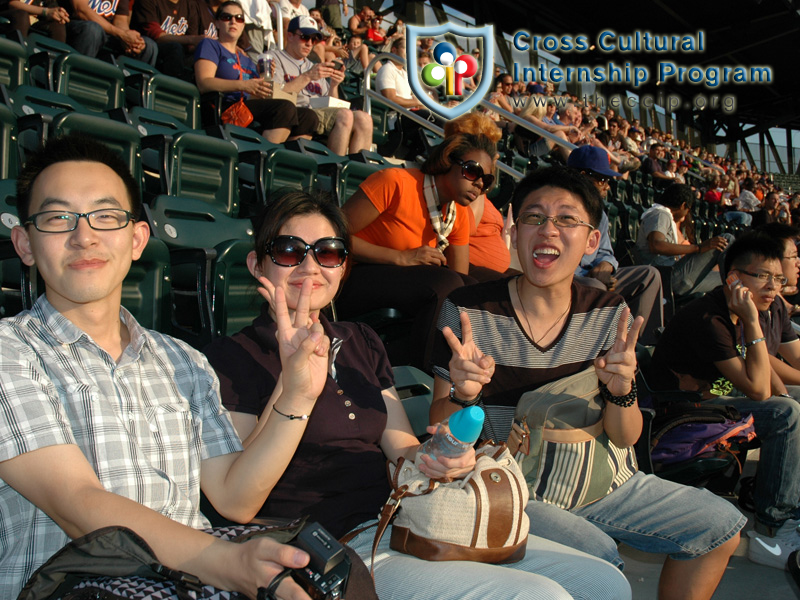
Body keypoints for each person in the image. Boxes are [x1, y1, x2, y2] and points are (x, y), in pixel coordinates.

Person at [204, 188, 633, 600]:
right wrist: (292, 387)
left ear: (343, 267)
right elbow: (241, 500)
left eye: (328, 252)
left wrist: (446, 451)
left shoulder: (359, 339)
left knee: (605, 585)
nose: (310, 266)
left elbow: (402, 447)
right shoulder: (228, 359)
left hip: (404, 515)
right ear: (258, 265)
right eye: (289, 251)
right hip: (330, 544)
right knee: (540, 597)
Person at [0, 134, 334, 599]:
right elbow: (77, 504)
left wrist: (298, 394)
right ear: (25, 243)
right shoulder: (9, 352)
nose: (85, 236)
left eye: (106, 216)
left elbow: (236, 498)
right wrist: (224, 561)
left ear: (138, 239)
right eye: (58, 218)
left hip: (190, 585)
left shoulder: (183, 360)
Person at [430, 166, 745, 600]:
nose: (548, 231)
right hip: (513, 484)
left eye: (566, 219)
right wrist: (464, 396)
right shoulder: (467, 312)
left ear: (592, 240)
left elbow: (626, 435)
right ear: (511, 227)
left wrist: (622, 390)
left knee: (720, 526)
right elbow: (441, 432)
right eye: (534, 217)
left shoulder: (608, 312)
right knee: (597, 563)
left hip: (600, 478)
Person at [651, 232, 800, 570]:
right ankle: (775, 525)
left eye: (777, 278)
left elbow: (768, 372)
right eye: (761, 276)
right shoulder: (710, 318)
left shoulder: (764, 305)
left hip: (724, 402)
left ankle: (790, 498)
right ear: (733, 277)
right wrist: (750, 320)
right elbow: (758, 390)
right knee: (784, 413)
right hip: (688, 412)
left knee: (789, 405)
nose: (772, 287)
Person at [336, 132, 496, 370]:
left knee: (477, 287)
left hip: (400, 284)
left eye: (487, 180)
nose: (479, 183)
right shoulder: (395, 181)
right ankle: (420, 373)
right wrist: (401, 257)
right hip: (350, 278)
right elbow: (333, 237)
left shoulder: (457, 213)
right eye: (473, 171)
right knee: (443, 285)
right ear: (447, 161)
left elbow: (461, 277)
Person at [567, 146, 664, 344]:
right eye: (602, 179)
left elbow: (605, 251)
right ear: (583, 176)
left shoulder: (598, 212)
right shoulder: (559, 205)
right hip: (571, 278)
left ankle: (641, 345)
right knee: (595, 286)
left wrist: (605, 266)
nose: (608, 186)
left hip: (594, 276)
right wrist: (595, 275)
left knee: (649, 275)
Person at [194, 1, 318, 144]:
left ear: (243, 25)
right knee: (285, 108)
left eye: (239, 18)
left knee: (308, 116)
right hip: (225, 108)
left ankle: (286, 161)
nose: (233, 21)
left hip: (247, 110)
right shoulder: (211, 45)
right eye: (226, 17)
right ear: (216, 23)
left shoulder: (246, 59)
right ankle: (263, 157)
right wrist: (243, 85)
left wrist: (263, 79)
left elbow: (255, 96)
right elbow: (204, 83)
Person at [273, 16, 373, 156]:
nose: (309, 43)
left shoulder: (313, 66)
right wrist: (307, 77)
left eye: (313, 40)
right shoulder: (274, 58)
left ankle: (358, 174)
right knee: (345, 115)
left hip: (319, 113)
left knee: (365, 119)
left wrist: (334, 85)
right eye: (304, 37)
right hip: (298, 114)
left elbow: (331, 106)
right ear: (289, 36)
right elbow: (274, 94)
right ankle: (334, 170)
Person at [634, 182, 733, 300]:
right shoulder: (660, 214)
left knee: (729, 281)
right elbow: (656, 245)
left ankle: (738, 292)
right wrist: (698, 248)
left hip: (674, 276)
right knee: (727, 238)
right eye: (688, 209)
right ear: (683, 205)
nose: (687, 214)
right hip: (668, 278)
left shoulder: (663, 215)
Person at [63, 0, 156, 64]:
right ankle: (76, 79)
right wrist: (120, 34)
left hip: (109, 33)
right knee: (93, 30)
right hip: (77, 26)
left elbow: (120, 20)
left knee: (149, 46)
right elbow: (81, 10)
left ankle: (126, 89)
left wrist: (129, 38)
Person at [132, 0, 206, 78]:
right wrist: (192, 39)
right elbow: (156, 35)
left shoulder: (190, 4)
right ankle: (170, 87)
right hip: (149, 49)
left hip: (179, 56)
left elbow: (190, 46)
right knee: (174, 48)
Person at [2, 0, 68, 41]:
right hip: (8, 17)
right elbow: (13, 4)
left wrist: (59, 15)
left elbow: (52, 9)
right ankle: (16, 56)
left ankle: (53, 60)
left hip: (34, 24)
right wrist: (45, 11)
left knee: (58, 26)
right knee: (22, 15)